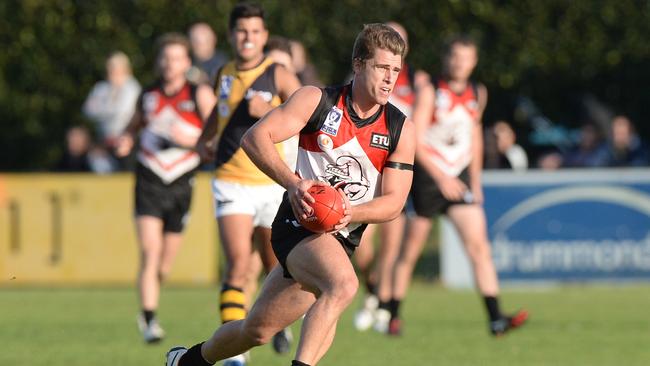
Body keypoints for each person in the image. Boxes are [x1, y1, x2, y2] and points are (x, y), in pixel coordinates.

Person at [166, 22, 415, 366]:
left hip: (340, 237)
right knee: (342, 286)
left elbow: (394, 202)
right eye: (382, 67)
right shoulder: (318, 100)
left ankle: (186, 361)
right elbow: (255, 138)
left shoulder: (400, 128)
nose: (390, 78)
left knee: (255, 330)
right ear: (358, 64)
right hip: (298, 225)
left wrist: (348, 212)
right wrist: (294, 183)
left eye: (396, 70)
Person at [387, 35, 528, 337]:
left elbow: (474, 135)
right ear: (446, 58)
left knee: (479, 247)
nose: (460, 64)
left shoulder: (478, 91)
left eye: (466, 58)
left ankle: (495, 318)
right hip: (430, 178)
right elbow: (416, 140)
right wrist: (440, 178)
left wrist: (474, 181)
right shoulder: (430, 92)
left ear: (474, 62)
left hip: (460, 176)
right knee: (411, 250)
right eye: (455, 57)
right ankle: (393, 315)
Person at [193, 3, 301, 361]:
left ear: (264, 37)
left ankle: (278, 321)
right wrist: (205, 138)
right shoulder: (223, 72)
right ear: (231, 35)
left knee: (275, 265)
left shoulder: (279, 74)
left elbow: (310, 117)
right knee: (238, 263)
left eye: (255, 31)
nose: (248, 38)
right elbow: (220, 111)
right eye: (241, 31)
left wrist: (268, 112)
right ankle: (236, 355)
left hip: (271, 183)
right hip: (230, 180)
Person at [115, 33, 216, 343]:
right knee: (150, 251)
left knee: (164, 265)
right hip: (148, 179)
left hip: (181, 181)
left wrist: (191, 141)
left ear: (187, 63)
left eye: (176, 58)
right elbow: (132, 128)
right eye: (165, 58)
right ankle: (149, 319)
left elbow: (217, 134)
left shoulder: (198, 93)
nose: (169, 64)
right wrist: (125, 141)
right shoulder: (148, 94)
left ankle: (150, 300)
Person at [352, 21, 426, 334]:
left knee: (391, 245)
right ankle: (372, 287)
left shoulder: (418, 81)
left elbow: (417, 127)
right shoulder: (366, 72)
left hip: (396, 165)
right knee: (362, 247)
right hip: (366, 168)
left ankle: (382, 303)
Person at [83, 51, 141, 171]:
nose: (111, 71)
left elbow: (123, 112)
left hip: (128, 142)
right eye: (109, 68)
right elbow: (88, 111)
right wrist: (111, 111)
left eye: (114, 68)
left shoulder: (133, 88)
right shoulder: (101, 88)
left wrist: (103, 110)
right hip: (104, 141)